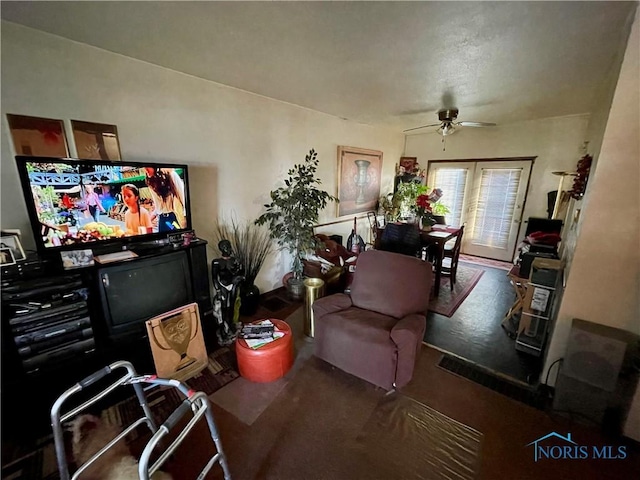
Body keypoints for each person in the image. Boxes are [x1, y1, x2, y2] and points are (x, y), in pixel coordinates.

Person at [211, 239, 245, 345]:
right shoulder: (216, 262)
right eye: (226, 247)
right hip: (222, 286)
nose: (229, 249)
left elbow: (240, 273)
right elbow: (214, 278)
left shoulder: (235, 260)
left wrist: (239, 277)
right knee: (223, 308)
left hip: (233, 285)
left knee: (233, 306)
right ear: (221, 249)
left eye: (229, 246)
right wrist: (218, 290)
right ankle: (223, 329)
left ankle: (231, 325)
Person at [144, 167, 187, 233]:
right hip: (162, 219)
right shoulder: (150, 181)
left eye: (148, 167)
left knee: (176, 238)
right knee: (162, 241)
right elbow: (159, 206)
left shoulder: (171, 174)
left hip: (173, 217)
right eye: (144, 167)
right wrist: (149, 219)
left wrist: (185, 218)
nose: (146, 170)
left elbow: (183, 196)